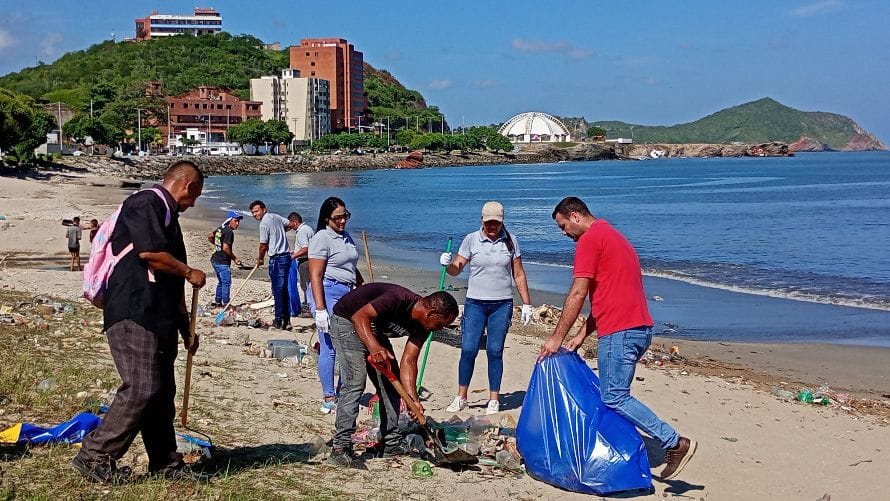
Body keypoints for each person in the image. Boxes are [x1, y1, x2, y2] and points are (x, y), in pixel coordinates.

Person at [538, 196, 697, 481]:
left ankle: (673, 441)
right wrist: (580, 336)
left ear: (575, 216)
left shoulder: (589, 240)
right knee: (614, 394)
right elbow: (609, 296)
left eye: (563, 226)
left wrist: (556, 338)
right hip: (638, 328)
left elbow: (578, 292)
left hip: (620, 332)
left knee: (614, 396)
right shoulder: (613, 236)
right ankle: (625, 448)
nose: (564, 234)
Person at [73, 160, 207, 484]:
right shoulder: (145, 202)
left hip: (159, 316)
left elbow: (172, 281)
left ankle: (164, 461)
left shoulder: (170, 219)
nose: (194, 203)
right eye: (196, 196)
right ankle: (95, 456)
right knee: (142, 387)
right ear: (188, 186)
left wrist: (185, 326)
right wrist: (190, 272)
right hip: (134, 310)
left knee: (161, 393)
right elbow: (150, 255)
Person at [326, 283, 459, 468]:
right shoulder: (398, 298)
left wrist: (414, 400)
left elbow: (409, 361)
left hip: (373, 328)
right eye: (442, 324)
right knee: (356, 381)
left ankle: (391, 442)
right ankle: (340, 448)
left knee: (391, 384)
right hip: (347, 320)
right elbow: (360, 316)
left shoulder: (423, 328)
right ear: (431, 314)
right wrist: (373, 347)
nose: (441, 329)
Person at [440, 201, 533, 415]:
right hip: (475, 303)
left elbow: (518, 273)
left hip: (502, 304)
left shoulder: (510, 241)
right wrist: (448, 264)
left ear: (502, 221)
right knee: (469, 349)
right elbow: (457, 269)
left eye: (496, 223)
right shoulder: (471, 240)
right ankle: (461, 396)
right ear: (482, 220)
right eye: (489, 222)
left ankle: (493, 399)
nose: (492, 226)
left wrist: (526, 303)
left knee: (494, 351)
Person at [308, 197, 364, 414]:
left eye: (345, 216)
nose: (342, 221)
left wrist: (363, 287)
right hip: (328, 291)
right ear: (326, 218)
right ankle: (329, 395)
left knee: (347, 345)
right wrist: (320, 309)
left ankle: (342, 390)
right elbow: (315, 274)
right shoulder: (321, 238)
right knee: (329, 345)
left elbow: (350, 266)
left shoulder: (346, 236)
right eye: (337, 218)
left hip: (347, 292)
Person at [250, 200, 294, 330]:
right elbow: (291, 224)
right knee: (283, 289)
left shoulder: (264, 223)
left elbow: (263, 245)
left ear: (264, 209)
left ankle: (279, 320)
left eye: (257, 211)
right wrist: (279, 232)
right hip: (285, 257)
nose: (254, 214)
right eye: (252, 212)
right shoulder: (276, 217)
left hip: (278, 258)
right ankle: (287, 320)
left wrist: (260, 259)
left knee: (278, 290)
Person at [209, 211, 243, 307]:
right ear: (230, 221)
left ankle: (218, 301)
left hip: (215, 259)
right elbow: (226, 248)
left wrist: (217, 245)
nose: (237, 224)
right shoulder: (228, 231)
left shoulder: (221, 228)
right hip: (222, 261)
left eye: (238, 221)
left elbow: (210, 236)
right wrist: (235, 258)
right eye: (235, 221)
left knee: (221, 281)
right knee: (226, 282)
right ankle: (226, 304)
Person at [288, 211, 315, 318]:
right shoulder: (307, 229)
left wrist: (293, 256)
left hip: (305, 261)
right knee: (309, 284)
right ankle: (308, 304)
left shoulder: (302, 231)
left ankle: (308, 307)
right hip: (309, 259)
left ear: (294, 222)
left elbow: (306, 249)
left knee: (306, 285)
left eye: (289, 223)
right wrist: (295, 251)